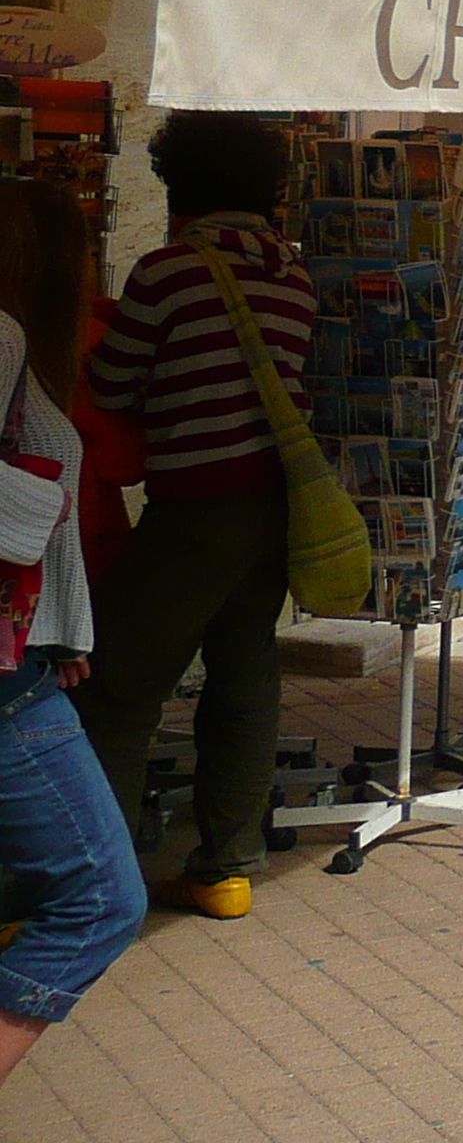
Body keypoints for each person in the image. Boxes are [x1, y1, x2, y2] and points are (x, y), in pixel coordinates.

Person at [75, 113, 315, 922]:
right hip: (270, 509)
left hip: (194, 506)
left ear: (178, 186)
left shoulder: (167, 272)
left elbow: (111, 388)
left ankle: (88, 885)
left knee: (114, 685)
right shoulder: (291, 273)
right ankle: (227, 868)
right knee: (245, 679)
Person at [0, 181, 141, 1078]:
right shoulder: (6, 336)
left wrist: (61, 630)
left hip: (27, 661)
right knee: (99, 898)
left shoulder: (28, 351)